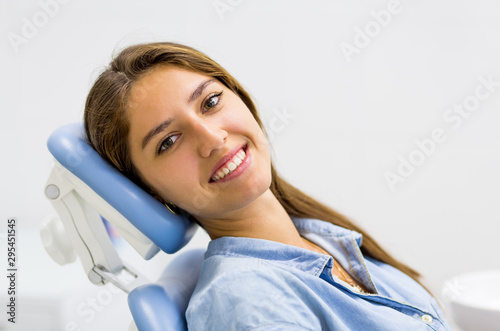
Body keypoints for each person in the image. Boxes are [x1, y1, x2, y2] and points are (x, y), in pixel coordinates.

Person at [84, 42, 453, 330]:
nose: (212, 138)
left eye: (210, 102)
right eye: (168, 142)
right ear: (151, 192)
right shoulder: (249, 302)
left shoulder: (319, 238)